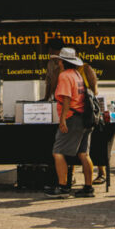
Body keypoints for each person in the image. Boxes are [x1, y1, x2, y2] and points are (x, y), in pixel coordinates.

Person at [45, 47, 95, 198]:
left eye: (60, 60)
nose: (58, 62)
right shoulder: (78, 75)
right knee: (83, 153)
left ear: (62, 62)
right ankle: (88, 188)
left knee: (58, 152)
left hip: (72, 117)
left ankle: (63, 187)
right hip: (85, 117)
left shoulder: (65, 76)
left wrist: (62, 120)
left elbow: (66, 98)